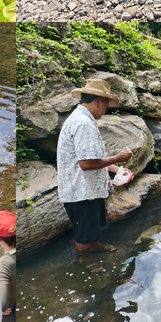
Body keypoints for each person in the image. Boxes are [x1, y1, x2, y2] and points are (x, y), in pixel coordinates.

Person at [57, 79, 133, 263]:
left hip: (88, 188)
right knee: (83, 234)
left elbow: (91, 157)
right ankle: (86, 261)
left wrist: (117, 169)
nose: (106, 109)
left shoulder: (81, 118)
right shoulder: (84, 124)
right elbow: (86, 163)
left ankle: (96, 246)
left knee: (92, 226)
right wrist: (117, 158)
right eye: (106, 104)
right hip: (81, 191)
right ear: (98, 101)